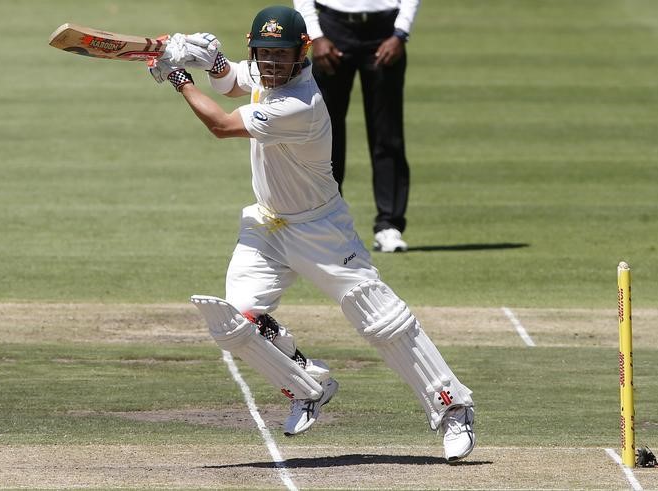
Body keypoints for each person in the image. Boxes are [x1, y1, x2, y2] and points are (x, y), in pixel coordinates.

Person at [148, 5, 474, 462]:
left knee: (381, 321)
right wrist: (211, 61)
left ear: (302, 53)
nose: (272, 63)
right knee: (236, 321)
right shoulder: (266, 74)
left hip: (321, 229)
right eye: (264, 54)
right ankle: (308, 386)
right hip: (266, 225)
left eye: (281, 55)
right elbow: (232, 80)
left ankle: (453, 407)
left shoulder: (300, 103)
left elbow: (221, 125)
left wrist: (179, 77)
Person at [293, 0, 419, 253]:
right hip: (331, 28)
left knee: (387, 132)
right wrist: (316, 36)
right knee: (325, 134)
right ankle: (325, 222)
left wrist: (400, 33)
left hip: (385, 29)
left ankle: (389, 225)